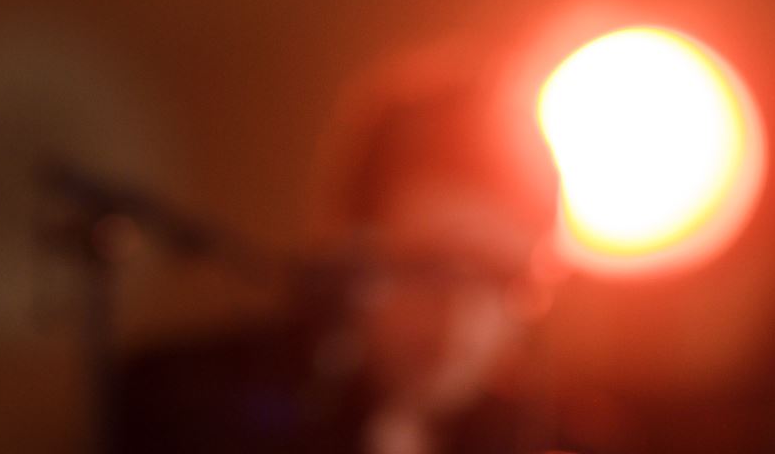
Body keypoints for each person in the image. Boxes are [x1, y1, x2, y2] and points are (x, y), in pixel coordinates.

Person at [112, 54, 572, 454]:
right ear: (350, 248)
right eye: (431, 267)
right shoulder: (187, 404)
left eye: (501, 279)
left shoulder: (552, 436)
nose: (459, 317)